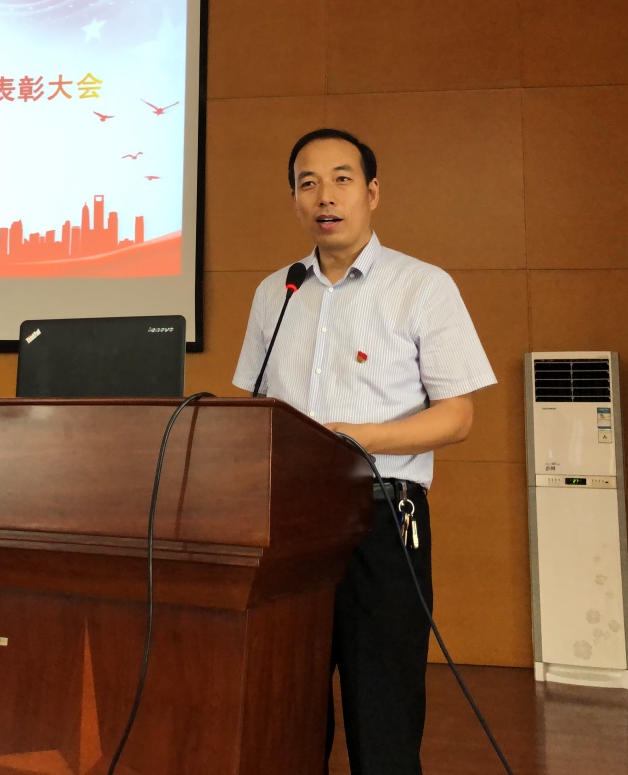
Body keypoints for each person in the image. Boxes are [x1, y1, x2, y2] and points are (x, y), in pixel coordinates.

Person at [232, 128, 496, 775]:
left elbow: (458, 417)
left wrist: (358, 439)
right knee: (285, 707)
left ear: (372, 193)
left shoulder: (422, 286)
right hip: (286, 524)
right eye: (308, 183)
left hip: (380, 518)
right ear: (295, 200)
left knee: (382, 715)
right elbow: (254, 410)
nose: (325, 196)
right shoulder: (275, 292)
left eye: (341, 179)